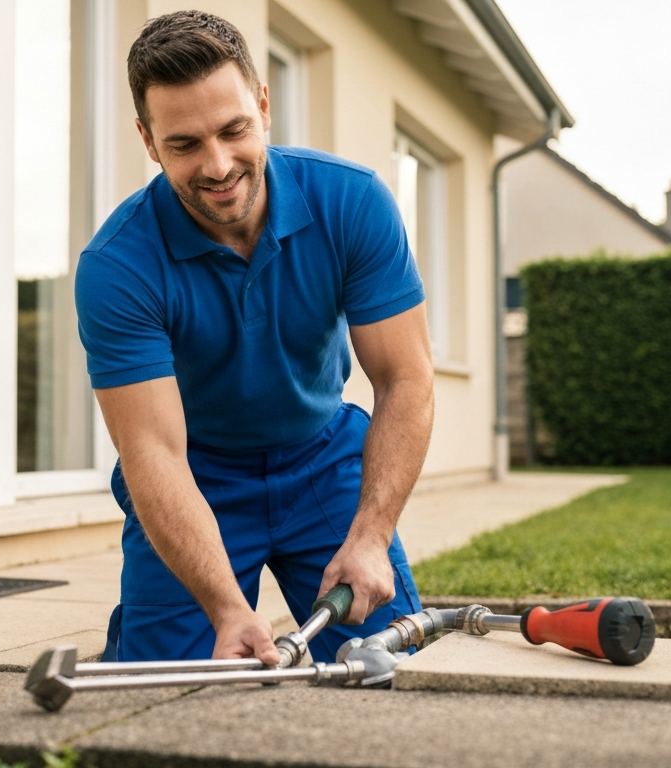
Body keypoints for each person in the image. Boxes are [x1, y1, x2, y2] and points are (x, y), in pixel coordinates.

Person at [76, 10, 435, 665]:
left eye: (233, 130)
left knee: (387, 674)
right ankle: (141, 638)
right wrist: (225, 608)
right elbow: (152, 451)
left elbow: (405, 379)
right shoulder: (117, 266)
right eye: (184, 144)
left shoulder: (352, 203)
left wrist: (372, 533)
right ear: (149, 141)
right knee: (169, 693)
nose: (218, 166)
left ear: (263, 107)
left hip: (324, 464)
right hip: (196, 475)